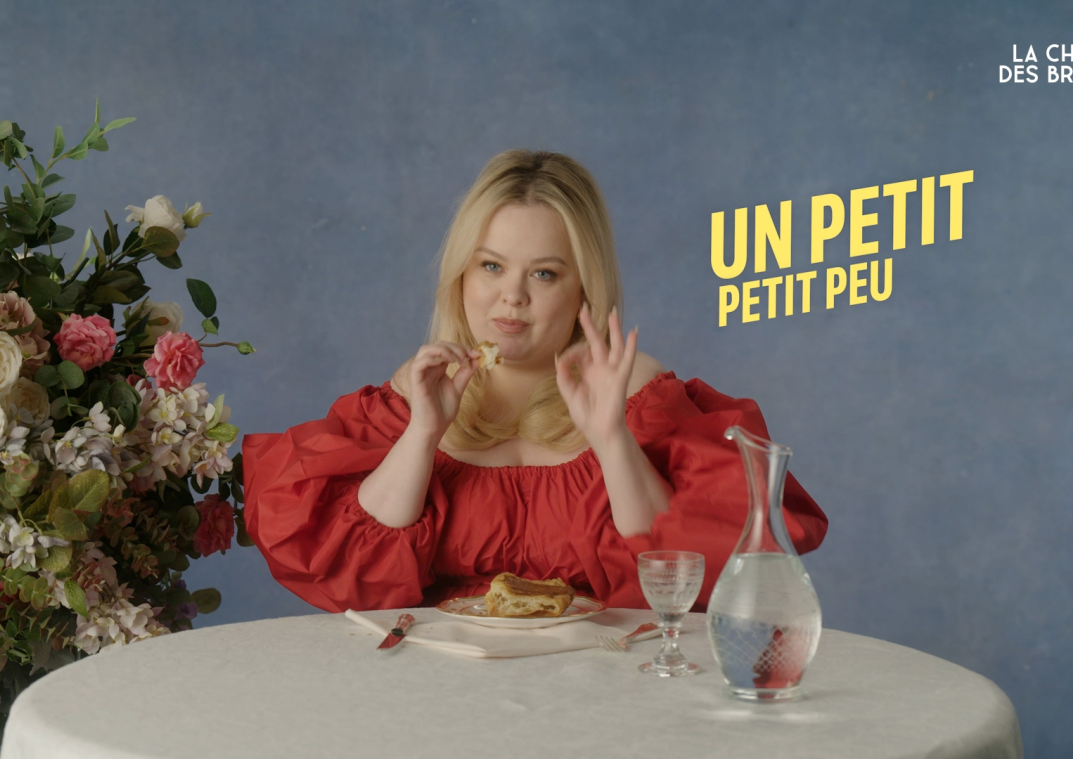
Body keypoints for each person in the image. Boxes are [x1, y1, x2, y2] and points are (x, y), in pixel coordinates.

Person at [242, 149, 826, 613]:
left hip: (607, 688)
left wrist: (611, 437)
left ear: (582, 291)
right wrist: (423, 434)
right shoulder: (409, 396)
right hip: (436, 691)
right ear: (460, 276)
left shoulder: (639, 394)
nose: (511, 296)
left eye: (543, 273)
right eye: (491, 266)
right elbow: (357, 582)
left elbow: (681, 580)